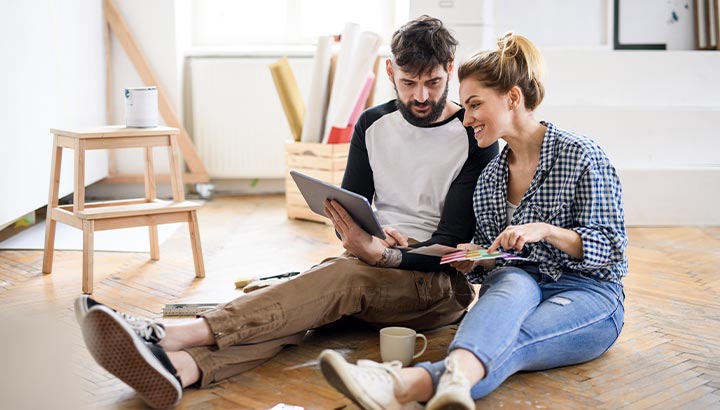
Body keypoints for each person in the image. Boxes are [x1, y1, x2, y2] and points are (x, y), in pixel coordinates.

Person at [76, 15, 499, 409]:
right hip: (370, 268)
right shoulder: (372, 125)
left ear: (450, 67)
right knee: (302, 308)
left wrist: (383, 255)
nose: (421, 96)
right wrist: (364, 238)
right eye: (408, 83)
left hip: (436, 287)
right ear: (390, 72)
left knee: (335, 280)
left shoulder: (472, 134)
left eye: (433, 82)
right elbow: (350, 211)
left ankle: (167, 334)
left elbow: (450, 247)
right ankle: (182, 369)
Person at [317, 32, 628, 410]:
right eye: (464, 106)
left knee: (515, 339)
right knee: (508, 284)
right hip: (519, 279)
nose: (466, 118)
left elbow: (612, 248)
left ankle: (402, 383)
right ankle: (430, 386)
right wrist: (475, 258)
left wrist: (545, 230)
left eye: (476, 105)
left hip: (586, 291)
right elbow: (494, 259)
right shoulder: (490, 178)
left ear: (513, 98)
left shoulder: (579, 155)